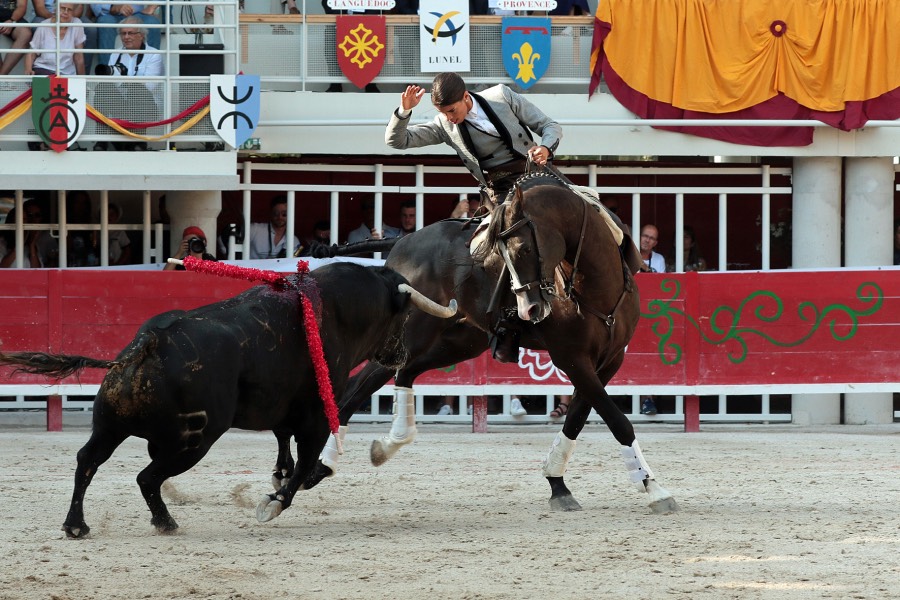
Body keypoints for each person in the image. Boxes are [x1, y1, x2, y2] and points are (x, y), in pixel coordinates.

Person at [385, 72, 562, 206]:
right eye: (442, 113)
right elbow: (397, 141)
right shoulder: (444, 126)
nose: (448, 118)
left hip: (537, 172)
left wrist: (545, 148)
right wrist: (404, 111)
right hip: (502, 189)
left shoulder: (502, 95)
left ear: (465, 96)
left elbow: (550, 125)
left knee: (585, 207)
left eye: (452, 110)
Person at [92, 17, 163, 151]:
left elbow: (149, 86)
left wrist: (124, 79)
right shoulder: (116, 54)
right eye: (123, 33)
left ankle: (139, 141)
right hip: (122, 104)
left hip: (147, 106)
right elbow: (110, 82)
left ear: (141, 35)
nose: (126, 37)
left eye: (130, 33)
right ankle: (101, 139)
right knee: (102, 87)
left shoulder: (154, 55)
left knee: (137, 89)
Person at [90, 2, 159, 66]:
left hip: (138, 13)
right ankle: (107, 73)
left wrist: (153, 5)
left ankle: (151, 71)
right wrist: (112, 7)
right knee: (105, 24)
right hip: (109, 14)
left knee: (152, 23)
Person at [25, 2, 85, 76]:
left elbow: (79, 57)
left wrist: (82, 80)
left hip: (67, 72)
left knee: (67, 85)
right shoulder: (43, 25)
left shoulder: (76, 24)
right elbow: (31, 53)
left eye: (69, 10)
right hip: (44, 68)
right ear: (55, 9)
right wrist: (28, 69)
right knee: (46, 85)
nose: (66, 12)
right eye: (63, 8)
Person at [0, 200, 57, 268]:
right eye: (20, 220)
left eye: (25, 220)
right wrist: (19, 245)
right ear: (11, 222)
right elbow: (2, 267)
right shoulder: (2, 242)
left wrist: (32, 245)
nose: (24, 223)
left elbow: (37, 270)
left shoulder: (31, 244)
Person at [66, 190, 99, 267]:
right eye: (77, 202)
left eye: (84, 203)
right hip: (70, 265)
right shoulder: (64, 225)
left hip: (89, 265)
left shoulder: (91, 225)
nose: (81, 206)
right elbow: (65, 249)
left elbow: (95, 247)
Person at [0, 0, 32, 75]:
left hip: (13, 17)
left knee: (25, 34)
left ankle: (2, 76)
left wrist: (12, 21)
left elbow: (22, 6)